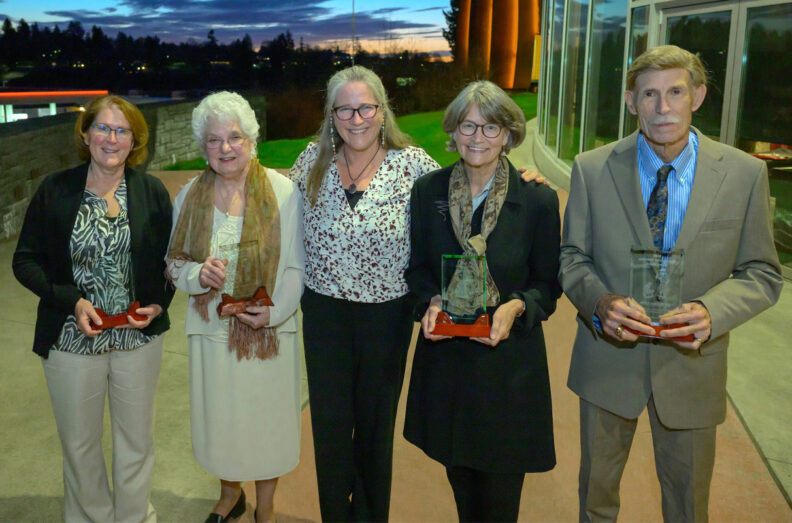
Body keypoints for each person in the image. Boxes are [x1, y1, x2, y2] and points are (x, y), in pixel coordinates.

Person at [559, 45, 783, 522]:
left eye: (675, 92)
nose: (663, 108)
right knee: (595, 500)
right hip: (608, 363)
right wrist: (599, 302)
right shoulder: (592, 170)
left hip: (692, 367)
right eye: (650, 95)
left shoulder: (744, 174)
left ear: (697, 96)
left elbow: (762, 272)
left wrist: (712, 311)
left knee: (688, 506)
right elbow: (573, 258)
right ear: (631, 102)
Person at [403, 80, 561, 522]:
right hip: (448, 368)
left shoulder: (537, 200)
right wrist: (429, 302)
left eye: (491, 128)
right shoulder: (427, 192)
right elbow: (416, 269)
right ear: (452, 131)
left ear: (509, 135)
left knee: (500, 500)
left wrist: (517, 306)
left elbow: (548, 284)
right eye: (468, 126)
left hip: (508, 371)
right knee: (463, 490)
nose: (477, 137)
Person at [12, 94, 174, 521]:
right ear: (85, 134)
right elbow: (24, 260)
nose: (111, 138)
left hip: (136, 340)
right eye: (102, 127)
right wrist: (72, 301)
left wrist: (158, 305)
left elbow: (169, 263)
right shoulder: (56, 190)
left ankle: (135, 517)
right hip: (70, 339)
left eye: (122, 131)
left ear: (133, 140)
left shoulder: (151, 191)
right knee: (80, 445)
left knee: (136, 441)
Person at [166, 91, 303, 523]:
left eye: (234, 137)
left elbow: (298, 267)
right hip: (211, 331)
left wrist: (275, 311)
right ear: (201, 145)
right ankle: (230, 496)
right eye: (213, 140)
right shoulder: (188, 196)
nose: (225, 148)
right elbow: (174, 263)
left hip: (268, 332)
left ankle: (266, 506)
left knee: (266, 425)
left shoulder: (284, 193)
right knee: (223, 423)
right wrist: (195, 276)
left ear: (252, 140)